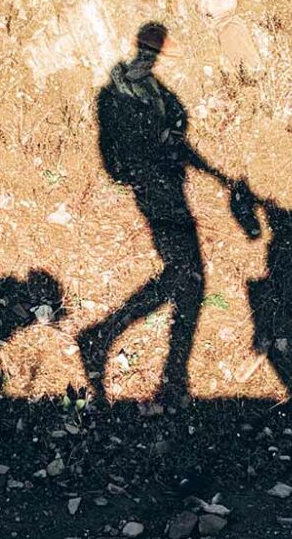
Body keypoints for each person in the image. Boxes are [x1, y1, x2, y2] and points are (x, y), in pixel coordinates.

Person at [78, 22, 236, 402]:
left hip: (166, 183)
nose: (152, 62)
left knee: (185, 273)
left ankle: (116, 342)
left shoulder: (147, 90)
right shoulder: (118, 95)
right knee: (187, 274)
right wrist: (147, 160)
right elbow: (113, 159)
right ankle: (109, 339)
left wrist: (199, 164)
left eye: (155, 57)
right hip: (155, 187)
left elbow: (169, 132)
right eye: (151, 55)